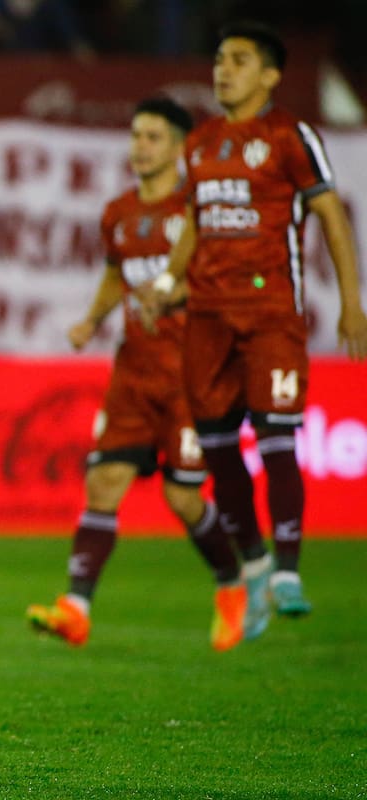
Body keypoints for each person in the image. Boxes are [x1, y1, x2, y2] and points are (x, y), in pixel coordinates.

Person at [147, 21, 367, 640]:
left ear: (269, 74)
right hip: (207, 320)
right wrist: (169, 282)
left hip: (271, 316)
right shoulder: (202, 143)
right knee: (219, 450)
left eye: (239, 61)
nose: (224, 70)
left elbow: (329, 212)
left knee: (276, 438)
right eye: (219, 59)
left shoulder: (289, 136)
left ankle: (290, 570)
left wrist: (353, 302)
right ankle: (256, 560)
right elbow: (193, 219)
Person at [26, 98, 246, 651]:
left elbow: (225, 286)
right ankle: (75, 609)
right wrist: (91, 320)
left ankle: (231, 582)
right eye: (136, 135)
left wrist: (174, 298)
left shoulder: (197, 215)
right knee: (103, 482)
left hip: (191, 376)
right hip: (134, 371)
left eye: (152, 137)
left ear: (178, 148)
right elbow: (114, 274)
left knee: (183, 499)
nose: (140, 146)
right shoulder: (119, 213)